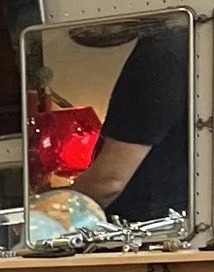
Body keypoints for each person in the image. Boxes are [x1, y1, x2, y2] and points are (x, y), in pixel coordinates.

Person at [73, 23, 192, 224]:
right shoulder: (180, 42)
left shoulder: (160, 54)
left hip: (144, 227)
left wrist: (47, 210)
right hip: (171, 219)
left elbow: (109, 181)